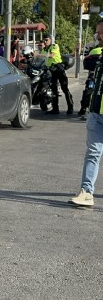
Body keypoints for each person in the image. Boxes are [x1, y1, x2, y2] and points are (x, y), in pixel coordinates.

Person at [70, 21, 103, 207]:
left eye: (100, 33)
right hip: (96, 114)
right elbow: (87, 62)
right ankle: (86, 192)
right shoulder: (99, 53)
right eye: (97, 33)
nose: (98, 36)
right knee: (92, 154)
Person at [42, 36, 74, 114]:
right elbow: (41, 58)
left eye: (46, 40)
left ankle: (70, 107)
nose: (45, 42)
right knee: (53, 90)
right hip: (50, 70)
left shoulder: (54, 46)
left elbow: (52, 55)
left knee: (64, 88)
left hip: (58, 68)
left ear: (50, 40)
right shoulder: (44, 50)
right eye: (44, 40)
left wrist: (40, 54)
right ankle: (55, 109)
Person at [79, 46, 101, 117]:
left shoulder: (93, 50)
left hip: (92, 75)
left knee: (87, 90)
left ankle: (83, 108)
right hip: (100, 77)